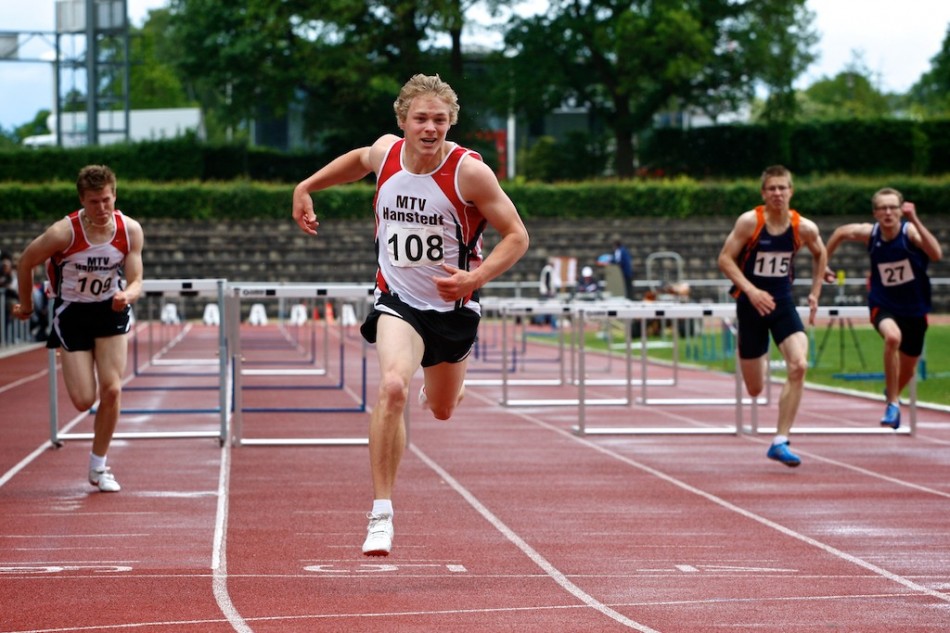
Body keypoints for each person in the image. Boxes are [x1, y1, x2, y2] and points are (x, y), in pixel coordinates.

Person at [292, 74, 529, 556]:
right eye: (420, 118)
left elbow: (518, 237)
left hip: (453, 306)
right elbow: (357, 162)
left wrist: (472, 280)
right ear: (402, 121)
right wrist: (307, 186)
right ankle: (381, 514)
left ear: (451, 122)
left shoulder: (470, 173)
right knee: (393, 387)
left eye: (439, 120)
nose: (429, 128)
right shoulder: (387, 154)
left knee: (442, 409)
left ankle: (443, 383)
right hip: (397, 300)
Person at [12, 165, 144, 492]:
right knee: (84, 400)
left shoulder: (129, 230)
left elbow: (138, 279)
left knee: (112, 390)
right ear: (82, 200)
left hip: (110, 310)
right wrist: (27, 305)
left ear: (115, 195)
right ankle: (74, 361)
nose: (102, 208)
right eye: (94, 202)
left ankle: (98, 467)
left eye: (107, 200)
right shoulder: (63, 233)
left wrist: (126, 294)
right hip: (71, 312)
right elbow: (25, 262)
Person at [718, 165, 827, 467]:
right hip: (751, 307)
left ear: (791, 191)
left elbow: (820, 253)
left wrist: (816, 290)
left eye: (783, 188)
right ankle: (759, 356)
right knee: (755, 388)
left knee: (799, 364)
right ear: (763, 193)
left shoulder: (804, 227)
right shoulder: (749, 222)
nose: (778, 193)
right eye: (772, 189)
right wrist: (752, 291)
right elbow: (725, 259)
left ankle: (780, 440)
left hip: (781, 303)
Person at [823, 188, 942, 430]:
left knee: (907, 372)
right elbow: (840, 232)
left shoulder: (911, 234)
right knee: (892, 337)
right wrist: (823, 264)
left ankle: (892, 392)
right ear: (875, 213)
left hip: (915, 309)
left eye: (893, 207)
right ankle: (893, 404)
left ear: (901, 211)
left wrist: (915, 219)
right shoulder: (871, 234)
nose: (888, 212)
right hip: (883, 303)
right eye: (882, 208)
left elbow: (936, 254)